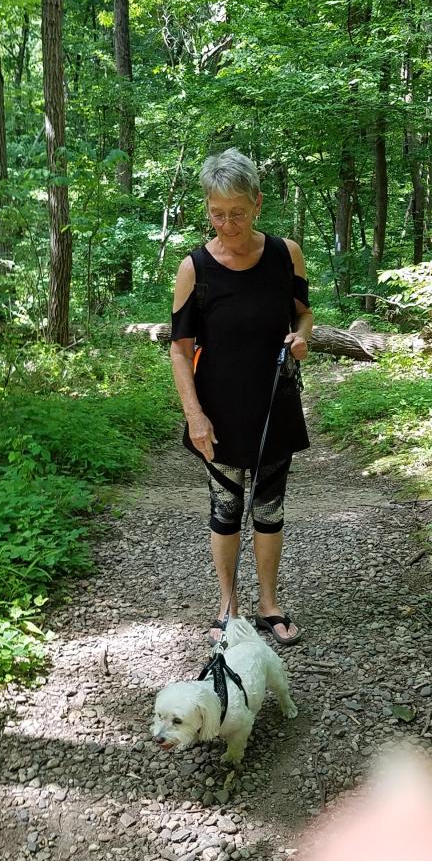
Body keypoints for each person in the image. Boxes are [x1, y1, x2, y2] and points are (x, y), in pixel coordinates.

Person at [169, 148, 313, 647]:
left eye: (237, 212)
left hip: (275, 402)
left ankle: (269, 605)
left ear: (257, 203)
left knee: (269, 509)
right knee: (226, 509)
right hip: (219, 412)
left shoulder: (285, 254)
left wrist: (302, 338)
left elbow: (302, 312)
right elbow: (180, 348)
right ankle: (227, 607)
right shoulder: (194, 268)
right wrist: (194, 415)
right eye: (217, 213)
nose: (227, 224)